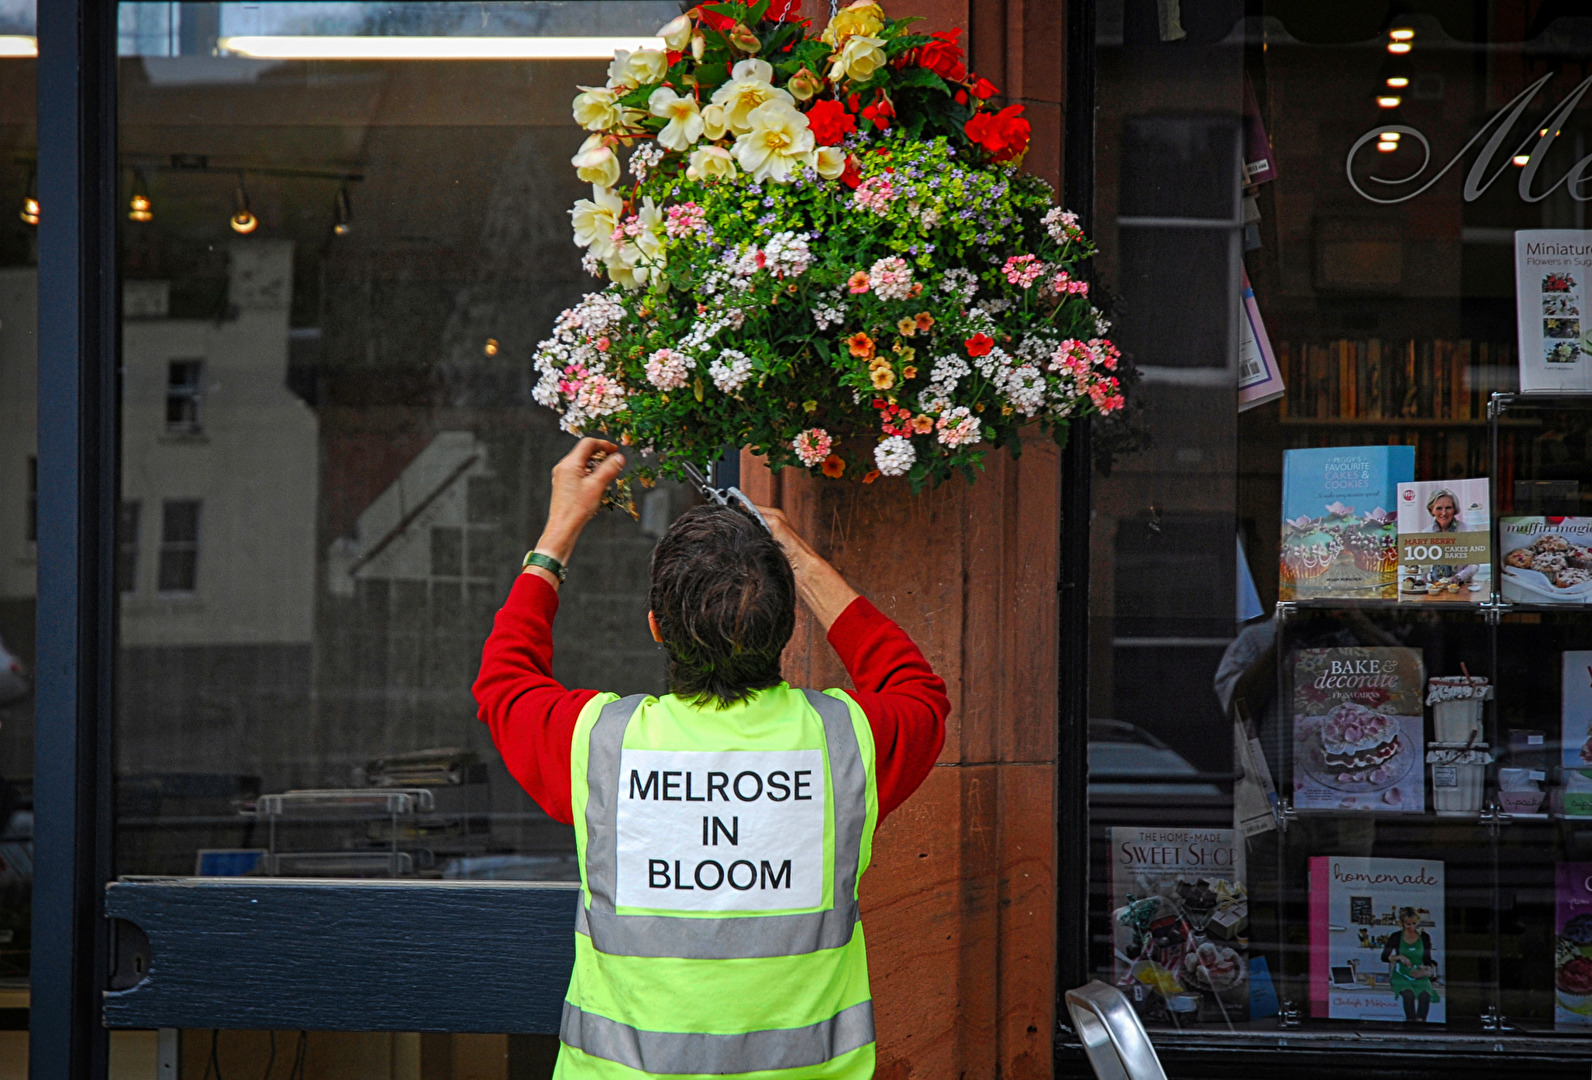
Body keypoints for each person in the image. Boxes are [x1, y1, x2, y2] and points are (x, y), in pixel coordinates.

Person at [473, 437, 949, 1080]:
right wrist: (800, 561)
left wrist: (559, 529)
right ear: (787, 630)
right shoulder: (847, 744)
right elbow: (917, 689)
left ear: (655, 628)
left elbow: (505, 681)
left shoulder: (599, 744)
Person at [1380, 906, 1439, 1022]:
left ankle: (1421, 1022)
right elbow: (1384, 957)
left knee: (1425, 995)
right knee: (1408, 995)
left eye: (1413, 924)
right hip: (1401, 974)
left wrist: (1426, 971)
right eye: (1408, 924)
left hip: (1419, 975)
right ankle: (1410, 1022)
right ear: (1402, 924)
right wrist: (1399, 957)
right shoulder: (1396, 937)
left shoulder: (1424, 937)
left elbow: (1427, 959)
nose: (1411, 927)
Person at [1422, 488, 1477, 587]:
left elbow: (1474, 564)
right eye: (1439, 508)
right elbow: (1422, 566)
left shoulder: (1468, 530)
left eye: (1448, 508)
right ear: (1432, 510)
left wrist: (1458, 577)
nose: (1444, 513)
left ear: (1455, 509)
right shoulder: (1425, 533)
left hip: (1461, 586)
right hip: (1433, 588)